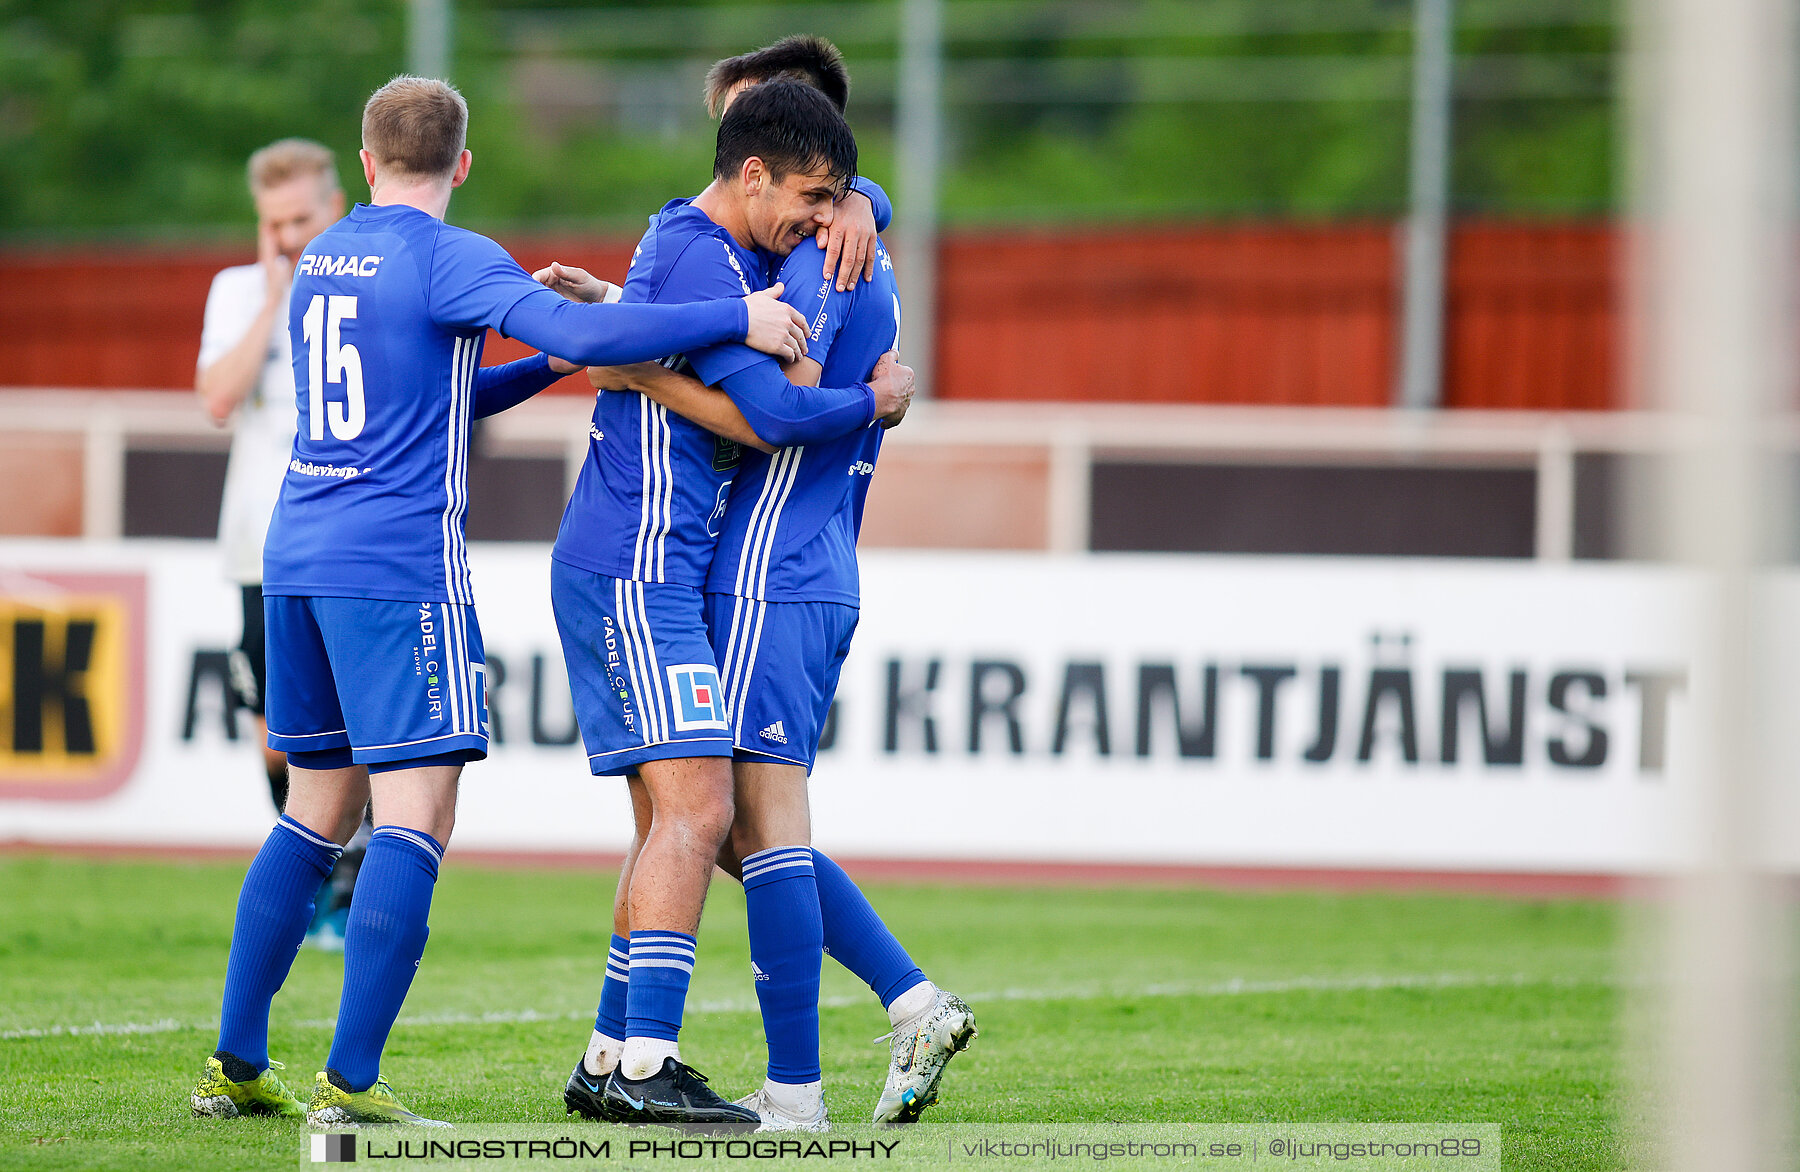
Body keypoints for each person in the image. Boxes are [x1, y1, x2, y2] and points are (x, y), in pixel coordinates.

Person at [188, 74, 811, 1129]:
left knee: (313, 808)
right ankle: (348, 1084)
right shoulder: (449, 256)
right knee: (416, 813)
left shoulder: (322, 258)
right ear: (463, 163)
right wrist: (740, 314)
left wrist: (544, 364)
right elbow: (604, 334)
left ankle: (237, 1060)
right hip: (395, 567)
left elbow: (439, 392)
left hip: (295, 549)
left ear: (368, 156)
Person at [553, 45, 969, 1133]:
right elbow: (713, 325)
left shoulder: (815, 256)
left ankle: (799, 1076)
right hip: (795, 563)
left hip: (762, 567)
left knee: (736, 822)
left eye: (747, 130)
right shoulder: (816, 240)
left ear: (798, 158)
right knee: (696, 820)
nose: (731, 155)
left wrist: (633, 359)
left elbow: (780, 408)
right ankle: (620, 1052)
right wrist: (634, 330)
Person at [195, 139, 367, 950]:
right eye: (275, 223)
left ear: (333, 206)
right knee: (277, 728)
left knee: (358, 721)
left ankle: (345, 884)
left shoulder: (362, 282)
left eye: (302, 218)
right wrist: (272, 298)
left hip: (347, 538)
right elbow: (218, 398)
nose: (291, 235)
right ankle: (319, 872)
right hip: (258, 542)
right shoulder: (237, 291)